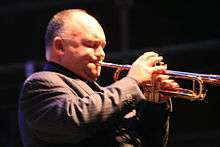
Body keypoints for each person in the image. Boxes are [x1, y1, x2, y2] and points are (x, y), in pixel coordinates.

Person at [18, 9, 178, 147]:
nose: (101, 53)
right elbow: (74, 122)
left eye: (103, 47)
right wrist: (133, 81)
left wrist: (155, 105)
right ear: (60, 47)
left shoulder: (106, 96)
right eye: (92, 45)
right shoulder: (39, 84)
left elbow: (147, 143)